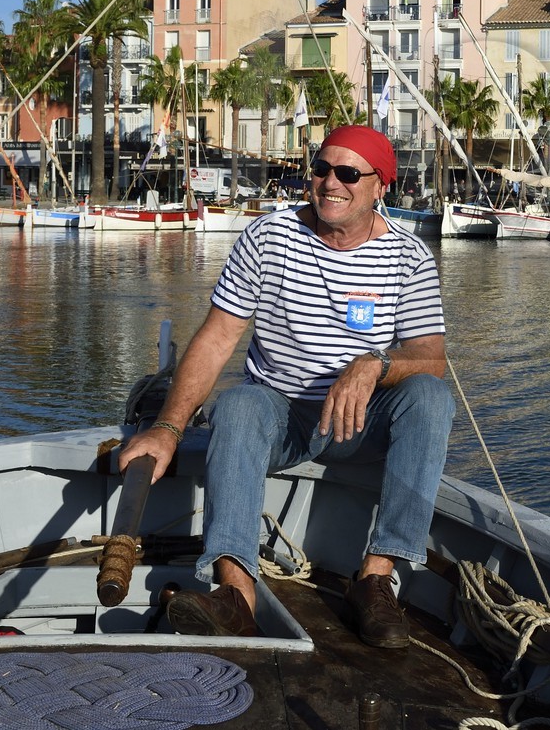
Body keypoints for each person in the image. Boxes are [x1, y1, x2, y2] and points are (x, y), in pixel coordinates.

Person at [118, 124, 452, 647]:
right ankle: (235, 595)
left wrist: (374, 365)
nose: (330, 183)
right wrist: (166, 427)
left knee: (431, 399)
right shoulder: (268, 238)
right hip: (283, 417)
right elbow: (216, 338)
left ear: (379, 186)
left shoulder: (409, 257)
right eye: (321, 169)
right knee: (240, 405)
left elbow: (431, 360)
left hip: (361, 424)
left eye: (348, 173)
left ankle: (375, 578)